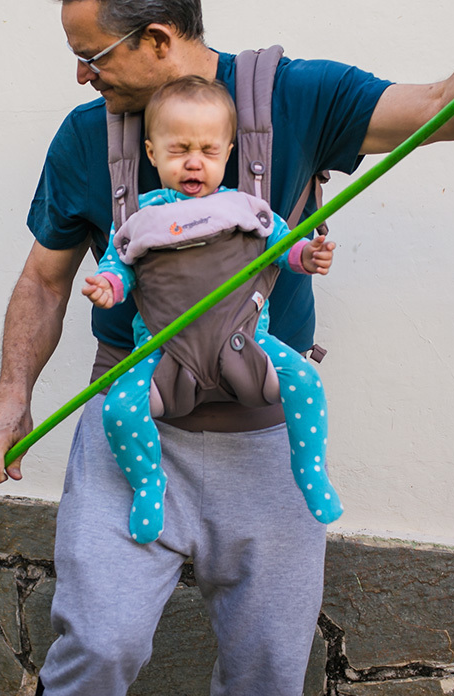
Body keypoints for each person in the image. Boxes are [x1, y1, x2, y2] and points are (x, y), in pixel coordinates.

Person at [0, 0, 454, 696]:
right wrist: (8, 402)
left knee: (267, 673)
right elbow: (43, 280)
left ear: (157, 38)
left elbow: (446, 107)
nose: (80, 76)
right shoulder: (81, 139)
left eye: (92, 56)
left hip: (264, 440)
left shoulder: (299, 96)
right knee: (97, 648)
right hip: (133, 421)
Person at [83, 75, 343, 545]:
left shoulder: (246, 208)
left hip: (246, 346)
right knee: (119, 408)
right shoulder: (140, 220)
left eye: (208, 149)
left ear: (228, 153)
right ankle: (148, 484)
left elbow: (286, 249)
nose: (193, 162)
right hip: (166, 355)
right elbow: (117, 269)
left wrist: (309, 256)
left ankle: (310, 471)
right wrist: (107, 288)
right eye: (179, 149)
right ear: (151, 153)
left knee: (304, 381)